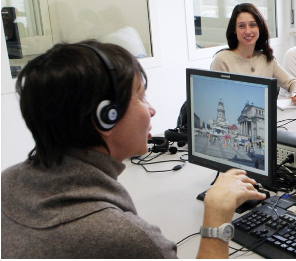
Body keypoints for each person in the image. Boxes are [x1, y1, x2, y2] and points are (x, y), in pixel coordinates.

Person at [0, 41, 266, 259]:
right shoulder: (126, 239)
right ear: (106, 117)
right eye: (140, 97)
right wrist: (216, 219)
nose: (152, 110)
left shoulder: (8, 181)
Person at [210, 3, 296, 106]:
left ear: (259, 27)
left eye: (252, 25)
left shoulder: (266, 59)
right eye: (241, 26)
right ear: (234, 30)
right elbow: (214, 100)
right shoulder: (222, 60)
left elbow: (293, 83)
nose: (248, 31)